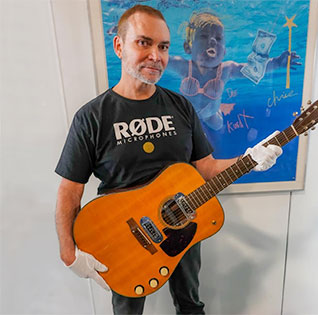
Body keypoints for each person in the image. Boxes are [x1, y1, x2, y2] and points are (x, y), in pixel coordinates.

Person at [55, 5, 282, 315]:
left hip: (183, 224)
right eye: (144, 42)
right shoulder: (92, 117)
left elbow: (207, 169)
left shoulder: (181, 107)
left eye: (163, 46)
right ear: (119, 46)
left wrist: (250, 158)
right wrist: (69, 253)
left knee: (190, 305)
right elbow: (70, 190)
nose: (156, 55)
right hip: (123, 238)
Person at [168, 12, 301, 130]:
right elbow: (161, 59)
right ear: (187, 47)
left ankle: (218, 113)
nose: (212, 40)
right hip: (187, 115)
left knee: (218, 126)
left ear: (224, 52)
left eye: (218, 38)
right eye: (203, 36)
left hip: (211, 114)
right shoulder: (184, 66)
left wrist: (277, 63)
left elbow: (253, 70)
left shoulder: (226, 69)